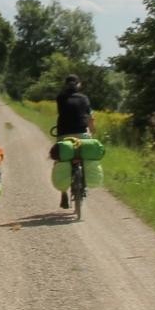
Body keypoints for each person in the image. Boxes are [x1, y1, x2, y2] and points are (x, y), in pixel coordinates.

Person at [55, 73, 94, 209]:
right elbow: (90, 117)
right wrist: (93, 132)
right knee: (85, 157)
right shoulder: (84, 98)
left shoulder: (60, 98)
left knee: (60, 160)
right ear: (78, 84)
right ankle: (84, 181)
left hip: (63, 135)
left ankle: (63, 194)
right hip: (81, 134)